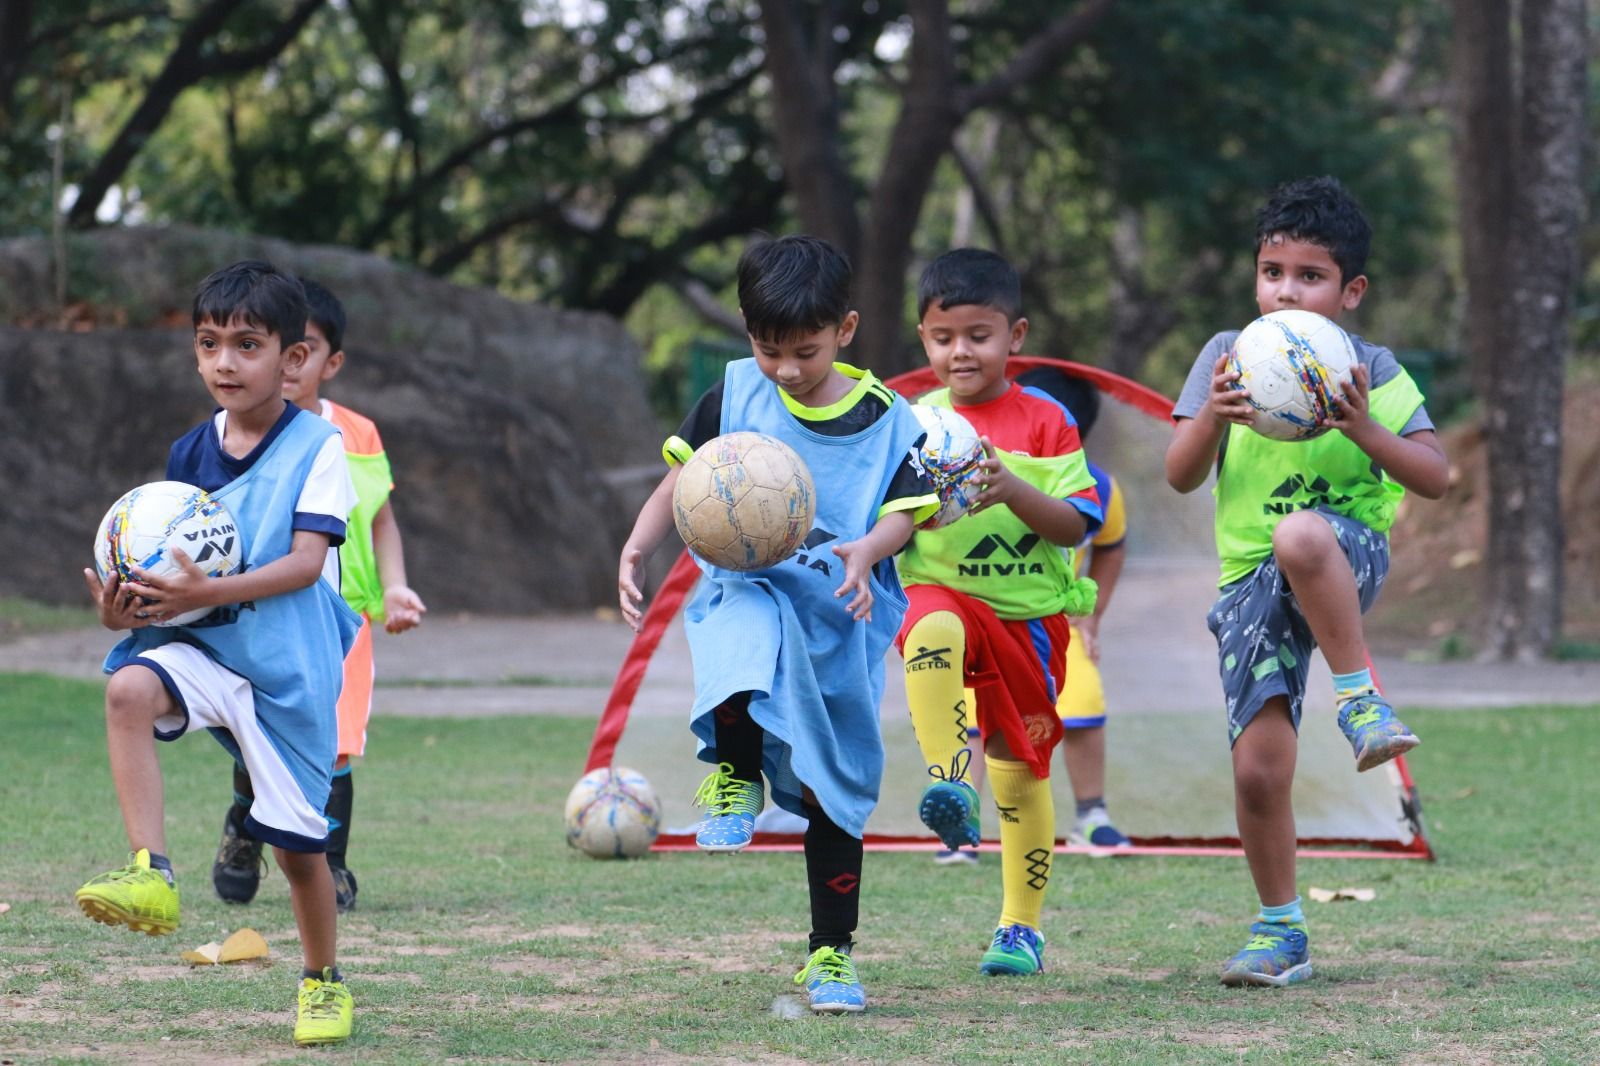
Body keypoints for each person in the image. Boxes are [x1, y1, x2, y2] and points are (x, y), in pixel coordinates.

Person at [617, 234, 935, 1014]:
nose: (786, 369)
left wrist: (867, 551)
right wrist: (635, 547)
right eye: (769, 349)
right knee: (742, 624)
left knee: (837, 792)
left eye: (805, 350)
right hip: (749, 587)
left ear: (847, 329)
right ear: (745, 330)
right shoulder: (732, 395)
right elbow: (680, 482)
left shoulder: (892, 419)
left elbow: (908, 508)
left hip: (840, 617)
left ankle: (831, 956)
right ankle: (734, 774)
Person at [1164, 176, 1448, 987]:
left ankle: (1361, 700)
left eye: (1310, 276)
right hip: (1250, 578)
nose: (1285, 290)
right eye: (1272, 272)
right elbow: (1180, 475)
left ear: (1351, 291)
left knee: (1302, 532)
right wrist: (1214, 415)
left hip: (1344, 550)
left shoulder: (1372, 366)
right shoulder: (1227, 359)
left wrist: (1364, 426)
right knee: (1258, 769)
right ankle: (1280, 930)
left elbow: (1435, 477)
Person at [76, 261, 363, 1045]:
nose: (225, 363)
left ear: (293, 359)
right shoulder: (187, 453)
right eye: (209, 344)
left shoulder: (319, 447)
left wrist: (203, 593)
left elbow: (307, 563)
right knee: (128, 691)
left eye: (247, 344)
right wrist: (123, 610)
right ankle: (151, 874)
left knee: (299, 849)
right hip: (207, 650)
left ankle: (322, 981)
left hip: (287, 670)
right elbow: (169, 574)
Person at [896, 248, 1104, 977]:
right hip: (945, 592)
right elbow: (896, 518)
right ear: (923, 338)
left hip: (1030, 623)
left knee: (1021, 774)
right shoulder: (912, 424)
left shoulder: (1047, 423)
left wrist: (1010, 487)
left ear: (1014, 337)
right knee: (931, 627)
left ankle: (1020, 927)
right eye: (943, 337)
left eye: (978, 336)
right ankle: (951, 777)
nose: (961, 352)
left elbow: (1079, 526)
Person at [211, 277, 426, 913]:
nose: (285, 363)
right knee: (261, 736)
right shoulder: (231, 433)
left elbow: (380, 518)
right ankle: (243, 830)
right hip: (262, 614)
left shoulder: (357, 434)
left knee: (333, 743)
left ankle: (330, 865)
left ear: (325, 362)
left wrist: (395, 587)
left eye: (302, 348)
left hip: (344, 622)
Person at [1012, 367, 1132, 852]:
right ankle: (962, 827)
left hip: (1059, 623)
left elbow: (1112, 546)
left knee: (1082, 706)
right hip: (989, 619)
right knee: (977, 717)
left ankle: (1091, 815)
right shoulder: (993, 473)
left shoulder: (1098, 487)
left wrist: (1091, 614)